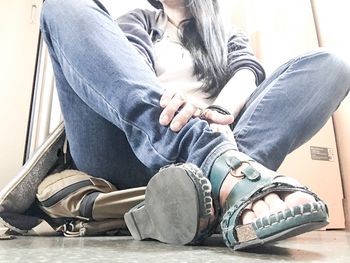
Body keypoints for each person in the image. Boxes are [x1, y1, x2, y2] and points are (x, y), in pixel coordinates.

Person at [40, 0, 350, 250]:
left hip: (223, 134)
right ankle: (226, 176)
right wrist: (177, 111)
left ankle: (202, 197)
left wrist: (214, 111)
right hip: (139, 146)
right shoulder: (141, 19)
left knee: (331, 65)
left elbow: (247, 72)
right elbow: (128, 76)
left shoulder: (225, 31)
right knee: (64, 5)